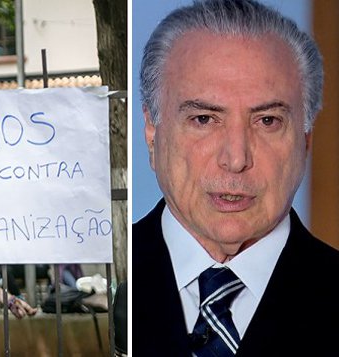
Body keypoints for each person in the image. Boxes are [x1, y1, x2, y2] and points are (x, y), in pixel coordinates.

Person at [134, 0, 339, 355]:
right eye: (203, 119)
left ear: (305, 139)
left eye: (268, 121)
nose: (236, 159)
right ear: (153, 130)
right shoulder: (121, 276)